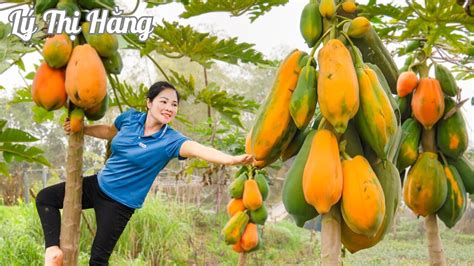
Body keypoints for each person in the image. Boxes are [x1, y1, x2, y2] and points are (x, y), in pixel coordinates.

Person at [35, 81, 254, 266]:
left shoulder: (171, 141)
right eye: (164, 101)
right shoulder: (130, 119)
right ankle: (53, 250)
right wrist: (83, 129)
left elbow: (200, 150)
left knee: (98, 260)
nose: (169, 107)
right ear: (149, 103)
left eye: (174, 104)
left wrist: (232, 159)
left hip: (119, 204)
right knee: (46, 197)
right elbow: (109, 132)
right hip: (98, 185)